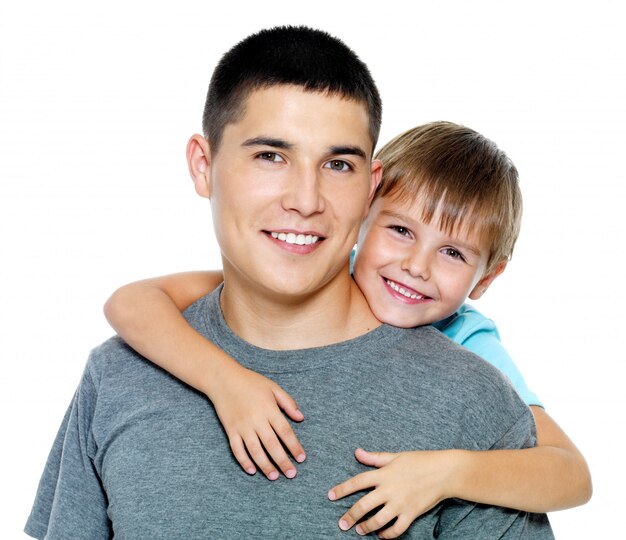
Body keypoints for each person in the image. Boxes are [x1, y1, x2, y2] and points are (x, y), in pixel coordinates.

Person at [25, 26, 554, 538]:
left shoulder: (474, 399)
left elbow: (566, 474)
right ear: (203, 165)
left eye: (338, 164)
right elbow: (133, 301)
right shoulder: (118, 375)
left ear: (371, 186)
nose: (305, 199)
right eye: (270, 156)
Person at [104, 120, 591, 537]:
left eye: (452, 253)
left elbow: (570, 473)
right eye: (400, 230)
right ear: (361, 213)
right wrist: (226, 382)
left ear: (486, 278)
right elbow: (132, 301)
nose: (415, 267)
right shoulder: (321, 272)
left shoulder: (469, 340)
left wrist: (445, 473)